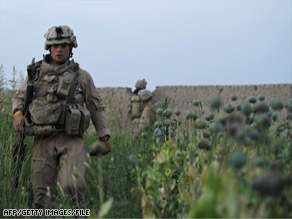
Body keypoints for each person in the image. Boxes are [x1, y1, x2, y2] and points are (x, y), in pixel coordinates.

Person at [12, 25, 111, 208]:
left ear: (71, 47)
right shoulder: (36, 74)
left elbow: (96, 107)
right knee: (41, 193)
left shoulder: (82, 77)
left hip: (72, 139)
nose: (59, 49)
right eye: (55, 45)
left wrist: (103, 136)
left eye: (64, 45)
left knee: (71, 185)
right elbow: (19, 98)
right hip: (43, 139)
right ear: (49, 47)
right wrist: (18, 114)